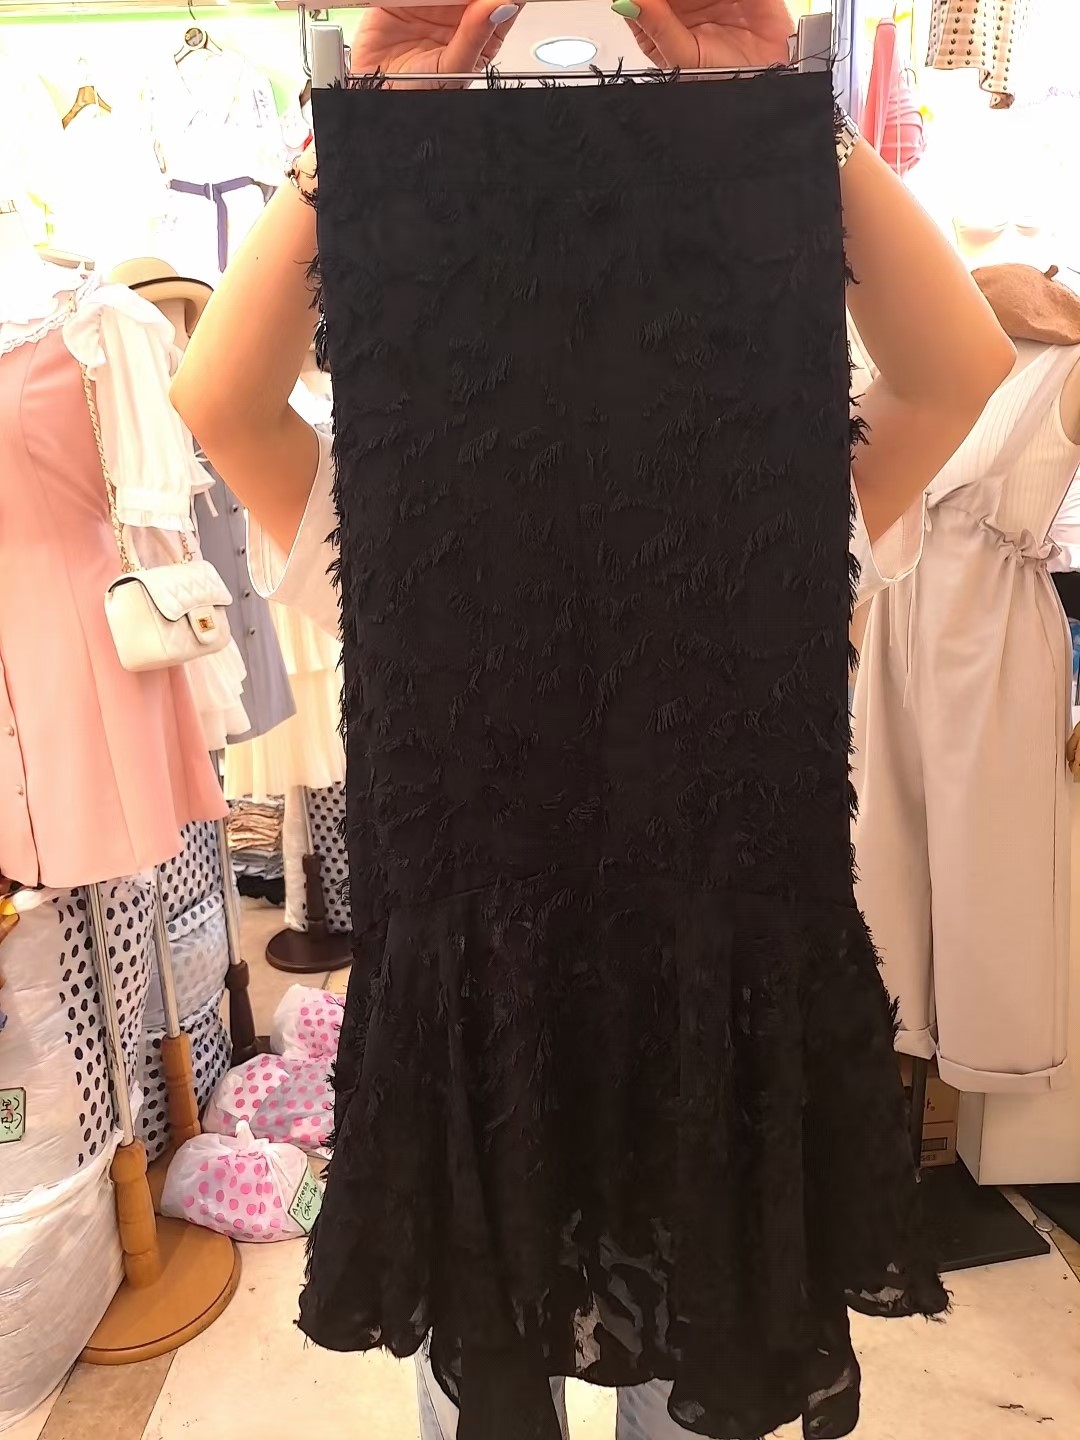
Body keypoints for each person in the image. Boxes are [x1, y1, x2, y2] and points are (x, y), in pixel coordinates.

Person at [173, 4, 1015, 1435]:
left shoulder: (415, 529)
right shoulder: (753, 514)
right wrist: (365, 134)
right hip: (614, 1051)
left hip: (602, 1044)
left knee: (537, 1388)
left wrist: (773, 114)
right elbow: (956, 373)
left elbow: (221, 399)